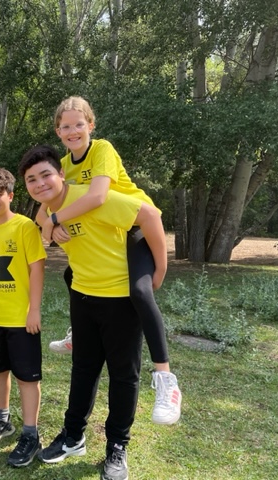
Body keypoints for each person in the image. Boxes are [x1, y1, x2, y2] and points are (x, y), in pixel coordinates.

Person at [20, 144, 168, 480]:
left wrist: (159, 270)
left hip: (121, 300)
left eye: (46, 175)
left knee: (123, 376)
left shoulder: (92, 198)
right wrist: (47, 225)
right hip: (83, 296)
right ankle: (73, 436)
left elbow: (149, 215)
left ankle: (117, 446)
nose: (40, 183)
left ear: (61, 174)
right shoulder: (48, 212)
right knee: (83, 369)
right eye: (31, 179)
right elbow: (41, 218)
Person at [37, 96, 181, 425]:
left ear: (91, 125)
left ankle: (166, 380)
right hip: (110, 232)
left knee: (140, 292)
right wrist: (49, 225)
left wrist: (161, 266)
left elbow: (97, 196)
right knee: (72, 275)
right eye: (65, 126)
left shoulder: (102, 149)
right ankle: (77, 335)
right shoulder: (63, 164)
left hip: (137, 227)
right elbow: (42, 209)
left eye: (79, 124)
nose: (73, 131)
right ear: (58, 131)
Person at [0, 166, 46, 468]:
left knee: (27, 377)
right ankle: (2, 420)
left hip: (20, 319)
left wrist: (34, 310)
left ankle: (30, 433)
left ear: (11, 195)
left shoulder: (25, 227)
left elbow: (37, 269)